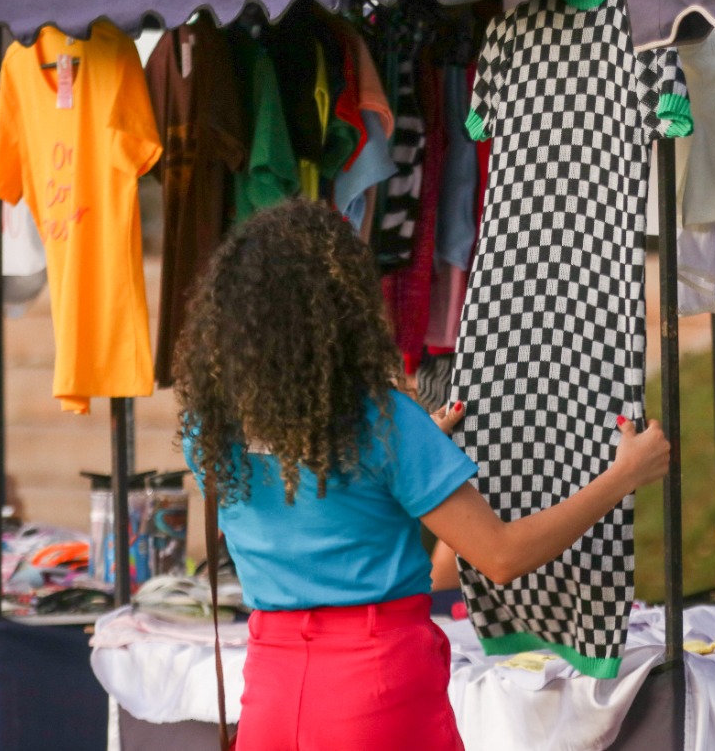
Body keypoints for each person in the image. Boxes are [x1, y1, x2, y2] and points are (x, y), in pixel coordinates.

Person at [174, 200, 670, 751]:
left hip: (270, 691)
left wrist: (413, 451)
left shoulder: (208, 428)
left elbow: (313, 483)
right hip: (377, 690)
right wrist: (623, 475)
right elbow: (500, 557)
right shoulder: (382, 423)